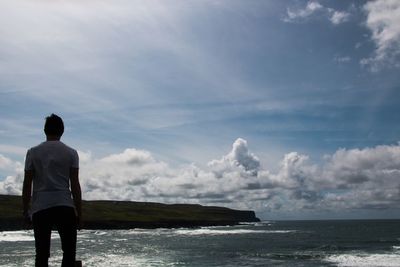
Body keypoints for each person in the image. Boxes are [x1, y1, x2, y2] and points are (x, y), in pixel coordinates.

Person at [22, 114, 82, 267]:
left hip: (40, 207)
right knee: (69, 252)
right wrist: (79, 212)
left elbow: (27, 184)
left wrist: (25, 210)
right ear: (62, 130)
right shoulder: (71, 153)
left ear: (44, 130)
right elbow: (75, 184)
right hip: (65, 205)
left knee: (41, 254)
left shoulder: (32, 152)